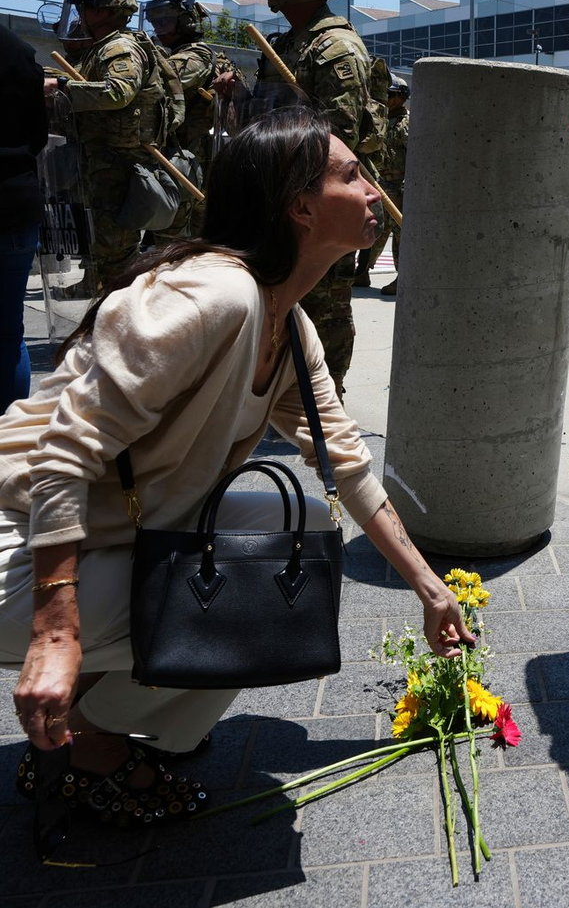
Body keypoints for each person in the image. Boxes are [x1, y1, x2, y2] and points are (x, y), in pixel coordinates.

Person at [0, 106, 473, 828]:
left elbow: (345, 464)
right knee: (235, 604)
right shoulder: (215, 295)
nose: (374, 188)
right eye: (352, 174)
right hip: (18, 540)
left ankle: (96, 720)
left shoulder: (289, 320)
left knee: (299, 539)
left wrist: (429, 588)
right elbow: (67, 450)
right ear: (302, 207)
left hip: (108, 532)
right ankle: (86, 742)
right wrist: (56, 635)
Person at [218, 0, 386, 399]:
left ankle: (322, 400)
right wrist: (239, 99)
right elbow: (267, 123)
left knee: (324, 302)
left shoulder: (334, 48)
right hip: (282, 195)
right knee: (281, 295)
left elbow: (341, 135)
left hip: (320, 200)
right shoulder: (287, 44)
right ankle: (281, 390)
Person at [41, 0, 177, 297]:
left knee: (116, 256)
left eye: (83, 8)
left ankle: (127, 319)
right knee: (104, 249)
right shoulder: (102, 46)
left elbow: (119, 92)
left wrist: (61, 89)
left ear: (101, 11)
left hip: (115, 168)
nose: (78, 16)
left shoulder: (119, 47)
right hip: (101, 164)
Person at [143, 0, 221, 237]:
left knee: (181, 235)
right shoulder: (169, 53)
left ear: (185, 22)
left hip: (192, 159)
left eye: (164, 22)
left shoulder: (196, 54)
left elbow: (165, 79)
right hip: (178, 156)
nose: (158, 29)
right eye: (154, 23)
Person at [1, 25, 48, 412]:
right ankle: (8, 438)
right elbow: (38, 136)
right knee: (9, 334)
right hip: (16, 200)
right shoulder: (19, 50)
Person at [355, 72, 409, 296]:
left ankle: (402, 278)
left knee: (399, 233)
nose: (385, 98)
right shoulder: (383, 121)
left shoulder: (406, 123)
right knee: (375, 229)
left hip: (398, 185)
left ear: (400, 98)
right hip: (382, 183)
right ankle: (362, 271)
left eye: (390, 94)